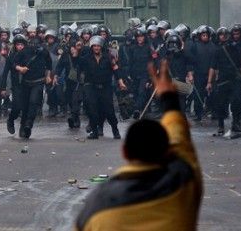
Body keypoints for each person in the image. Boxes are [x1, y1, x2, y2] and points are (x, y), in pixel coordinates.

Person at [75, 60, 202, 231]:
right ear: (166, 149)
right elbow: (181, 138)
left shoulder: (96, 206)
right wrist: (170, 100)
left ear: (125, 152)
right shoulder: (183, 181)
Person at [78, 36, 126, 139]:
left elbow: (116, 69)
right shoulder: (86, 58)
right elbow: (78, 65)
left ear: (101, 46)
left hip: (105, 86)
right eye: (94, 46)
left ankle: (115, 130)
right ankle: (94, 131)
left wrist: (120, 82)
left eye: (98, 46)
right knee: (92, 108)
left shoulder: (109, 57)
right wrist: (75, 53)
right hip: (91, 86)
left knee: (109, 110)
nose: (96, 48)